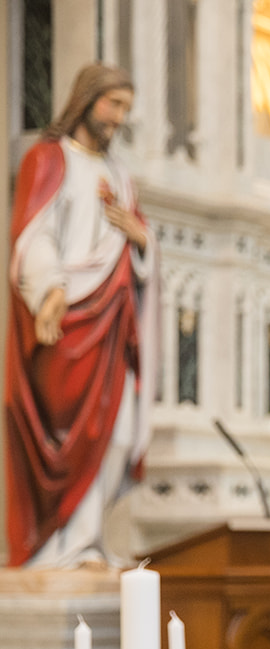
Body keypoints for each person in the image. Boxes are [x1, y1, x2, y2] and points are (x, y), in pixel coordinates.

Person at [5, 63, 158, 567]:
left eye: (125, 109)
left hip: (112, 321)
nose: (118, 117)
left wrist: (141, 242)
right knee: (65, 437)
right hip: (66, 324)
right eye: (112, 104)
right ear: (86, 99)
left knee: (117, 430)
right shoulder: (47, 159)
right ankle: (58, 546)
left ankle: (87, 541)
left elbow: (139, 244)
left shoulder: (119, 176)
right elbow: (34, 234)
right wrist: (49, 290)